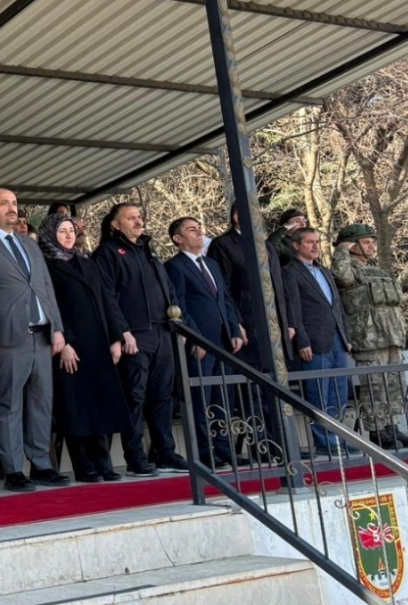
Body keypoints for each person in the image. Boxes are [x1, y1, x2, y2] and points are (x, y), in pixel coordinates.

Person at [0, 188, 67, 491]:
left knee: (41, 403)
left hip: (42, 336)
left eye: (14, 203)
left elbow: (45, 287)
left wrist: (58, 328)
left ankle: (41, 464)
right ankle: (13, 470)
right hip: (6, 337)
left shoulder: (29, 244)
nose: (12, 208)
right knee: (7, 404)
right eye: (4, 203)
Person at [93, 203, 188, 476]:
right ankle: (135, 457)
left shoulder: (149, 251)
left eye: (139, 217)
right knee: (134, 397)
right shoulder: (108, 253)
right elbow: (107, 296)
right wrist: (122, 331)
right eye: (131, 218)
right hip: (135, 335)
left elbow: (169, 289)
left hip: (163, 332)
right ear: (115, 224)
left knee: (162, 396)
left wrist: (178, 324)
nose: (138, 221)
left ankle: (165, 453)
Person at [38, 214, 127, 482]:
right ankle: (83, 465)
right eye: (62, 231)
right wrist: (65, 341)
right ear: (50, 235)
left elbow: (106, 300)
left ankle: (103, 462)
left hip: (98, 344)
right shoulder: (46, 266)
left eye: (71, 231)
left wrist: (115, 337)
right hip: (72, 345)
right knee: (76, 407)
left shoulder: (86, 262)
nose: (69, 236)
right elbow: (50, 306)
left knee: (100, 404)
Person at [164, 217, 248, 469]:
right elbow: (179, 305)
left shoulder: (211, 264)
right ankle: (204, 451)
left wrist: (234, 328)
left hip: (224, 342)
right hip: (200, 345)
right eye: (191, 229)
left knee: (224, 397)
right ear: (178, 239)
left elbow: (226, 299)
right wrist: (195, 338)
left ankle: (224, 448)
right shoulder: (174, 267)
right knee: (201, 399)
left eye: (199, 227)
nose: (199, 232)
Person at [331, 223, 408, 449]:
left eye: (372, 242)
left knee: (395, 383)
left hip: (392, 336)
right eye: (366, 242)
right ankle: (377, 430)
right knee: (375, 385)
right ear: (352, 245)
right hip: (368, 338)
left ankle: (391, 425)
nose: (371, 246)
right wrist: (341, 251)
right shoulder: (346, 268)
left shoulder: (376, 269)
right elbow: (342, 277)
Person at [283, 228, 355, 456]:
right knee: (318, 394)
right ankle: (324, 442)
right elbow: (293, 310)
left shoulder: (324, 270)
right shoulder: (290, 272)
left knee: (339, 392)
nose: (315, 246)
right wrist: (302, 341)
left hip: (337, 339)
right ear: (296, 245)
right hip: (313, 342)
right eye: (309, 242)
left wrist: (346, 336)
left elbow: (337, 306)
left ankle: (338, 438)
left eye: (317, 241)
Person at [208, 205, 298, 368]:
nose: (259, 219)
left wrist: (289, 323)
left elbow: (280, 286)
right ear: (237, 217)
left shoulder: (266, 246)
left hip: (277, 329)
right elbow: (222, 289)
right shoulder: (223, 244)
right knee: (255, 376)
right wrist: (235, 323)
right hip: (248, 327)